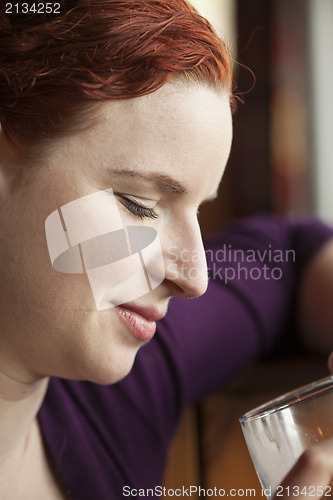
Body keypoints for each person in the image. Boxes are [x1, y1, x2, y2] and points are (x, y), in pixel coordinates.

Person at [1, 1, 333, 498]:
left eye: (197, 210)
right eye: (140, 204)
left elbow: (285, 256)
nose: (194, 278)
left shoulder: (125, 391)